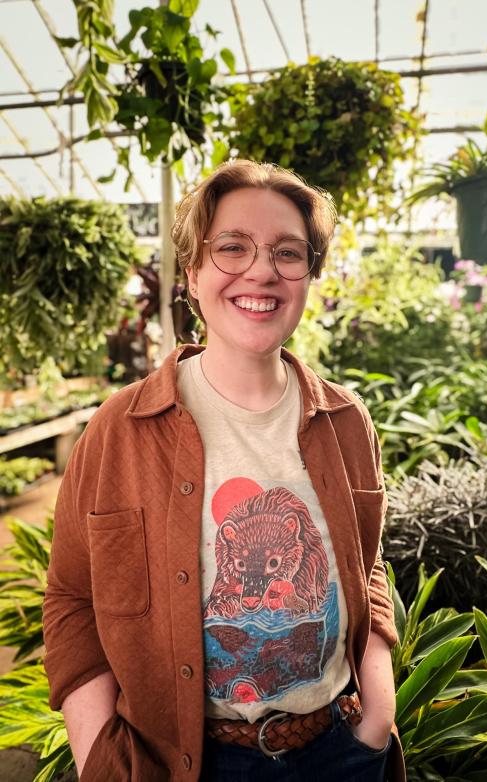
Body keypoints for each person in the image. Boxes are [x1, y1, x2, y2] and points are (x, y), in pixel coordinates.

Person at [43, 160, 405, 781]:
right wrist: (100, 757)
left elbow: (365, 565)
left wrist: (377, 709)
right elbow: (73, 597)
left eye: (288, 252)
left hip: (338, 750)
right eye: (232, 247)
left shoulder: (345, 420)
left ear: (309, 275)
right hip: (186, 763)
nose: (261, 270)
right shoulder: (120, 430)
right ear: (192, 273)